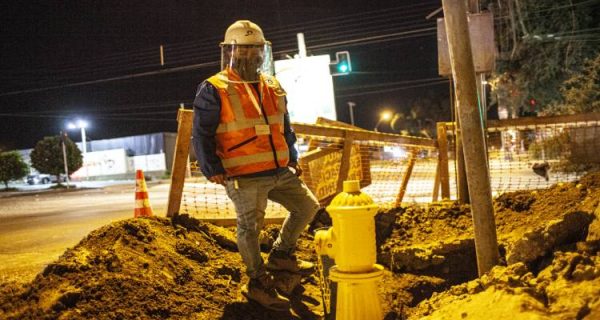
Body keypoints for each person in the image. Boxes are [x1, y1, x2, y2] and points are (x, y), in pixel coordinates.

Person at [192, 20, 320, 311]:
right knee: (249, 227)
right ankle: (257, 282)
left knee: (308, 207)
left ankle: (281, 254)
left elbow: (284, 127)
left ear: (264, 52)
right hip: (242, 175)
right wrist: (212, 167)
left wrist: (292, 157)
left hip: (278, 171)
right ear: (231, 52)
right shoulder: (214, 88)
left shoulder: (272, 86)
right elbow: (201, 133)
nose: (252, 55)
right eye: (245, 50)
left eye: (257, 50)